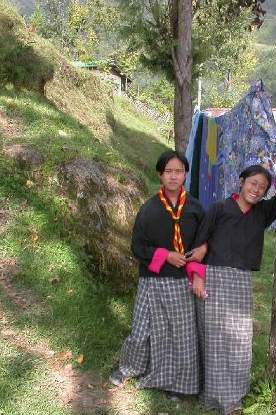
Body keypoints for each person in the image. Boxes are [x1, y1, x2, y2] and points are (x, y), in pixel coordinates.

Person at [109, 150, 207, 397]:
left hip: (181, 282)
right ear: (160, 175)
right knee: (141, 328)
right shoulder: (149, 209)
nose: (174, 176)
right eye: (168, 171)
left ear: (186, 175)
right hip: (152, 280)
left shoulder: (195, 208)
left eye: (179, 171)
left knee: (182, 335)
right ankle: (128, 367)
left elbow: (202, 244)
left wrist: (198, 264)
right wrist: (165, 255)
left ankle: (182, 384)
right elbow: (137, 247)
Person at [189, 162, 276, 415]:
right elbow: (199, 242)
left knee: (240, 338)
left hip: (240, 281)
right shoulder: (219, 208)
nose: (256, 189)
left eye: (262, 187)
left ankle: (234, 394)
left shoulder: (262, 213)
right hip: (214, 278)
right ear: (241, 182)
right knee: (215, 339)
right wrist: (197, 277)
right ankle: (221, 399)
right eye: (253, 183)